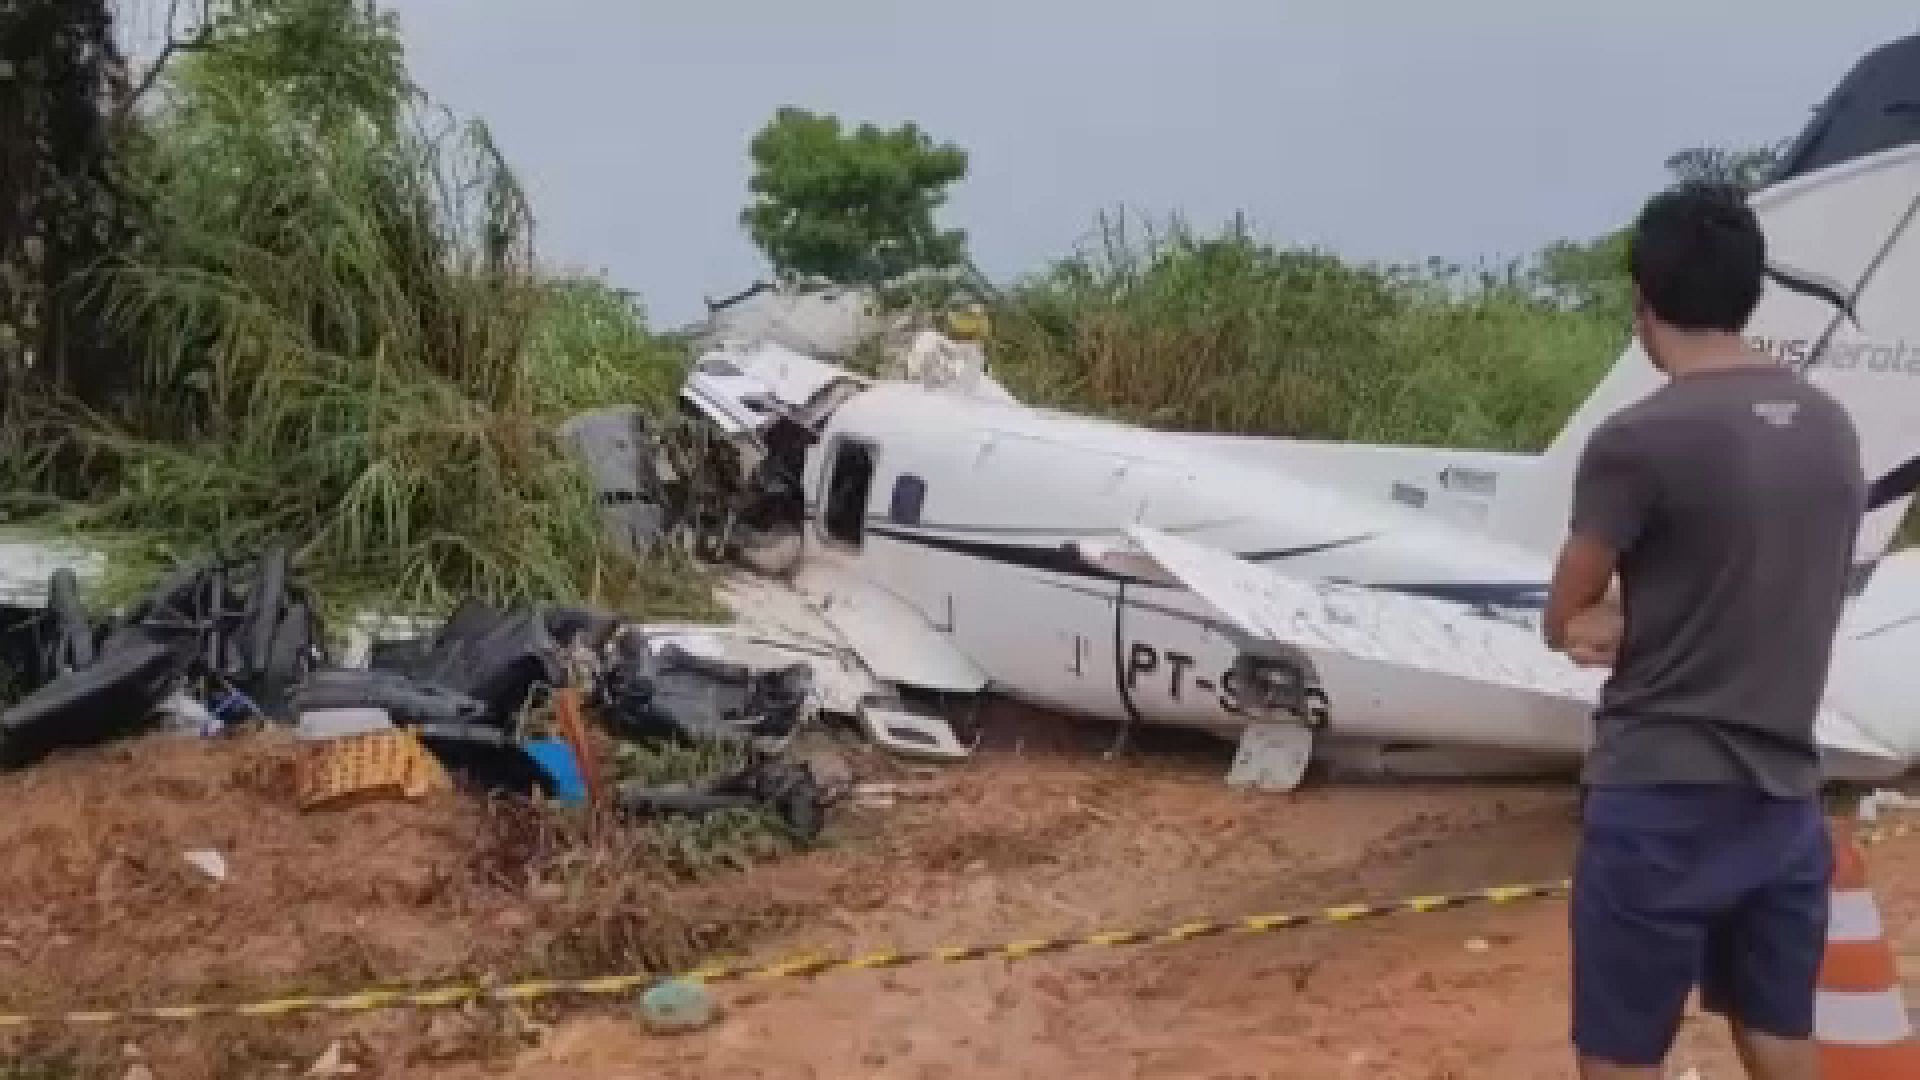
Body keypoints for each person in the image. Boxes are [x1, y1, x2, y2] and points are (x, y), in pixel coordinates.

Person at [1543, 183, 1867, 1080]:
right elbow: (1786, 585)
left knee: (1620, 1050)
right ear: (1750, 292)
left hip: (1659, 799)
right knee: (1776, 1036)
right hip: (1785, 795)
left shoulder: (1638, 441)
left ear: (1643, 302)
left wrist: (1627, 619)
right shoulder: (1831, 430)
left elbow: (1565, 620)